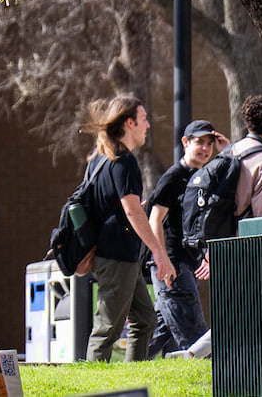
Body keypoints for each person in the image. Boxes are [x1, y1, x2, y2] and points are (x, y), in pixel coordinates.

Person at [172, 96, 262, 360]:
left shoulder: (229, 152)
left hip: (221, 241)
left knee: (234, 306)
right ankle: (211, 356)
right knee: (253, 307)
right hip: (247, 241)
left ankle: (195, 353)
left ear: (246, 121)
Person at [79, 95, 178, 362]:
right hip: (115, 256)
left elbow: (116, 207)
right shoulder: (123, 162)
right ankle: (93, 386)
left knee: (145, 320)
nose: (148, 126)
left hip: (120, 254)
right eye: (144, 120)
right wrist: (158, 253)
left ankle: (134, 377)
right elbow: (131, 210)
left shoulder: (100, 161)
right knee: (107, 329)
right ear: (130, 122)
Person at [144, 120, 225, 356]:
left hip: (187, 262)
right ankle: (204, 382)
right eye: (199, 142)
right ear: (185, 142)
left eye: (210, 143)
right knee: (195, 337)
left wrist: (226, 149)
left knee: (158, 330)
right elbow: (154, 219)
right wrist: (164, 262)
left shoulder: (203, 177)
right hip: (172, 262)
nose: (205, 148)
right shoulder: (174, 177)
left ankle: (127, 370)